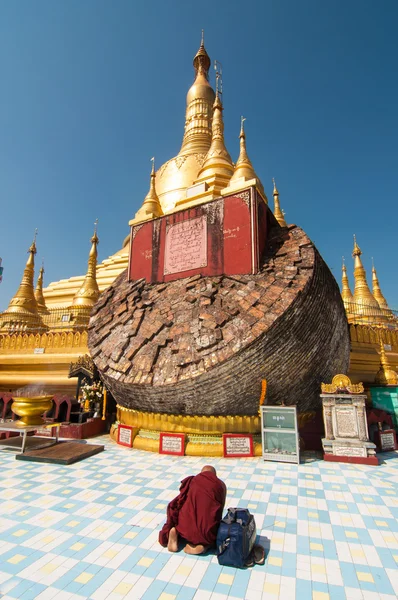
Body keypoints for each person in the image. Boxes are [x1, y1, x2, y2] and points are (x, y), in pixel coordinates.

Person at [159, 465, 227, 554]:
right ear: (215, 475)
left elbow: (178, 502)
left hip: (184, 527)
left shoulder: (192, 481)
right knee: (210, 534)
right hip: (205, 531)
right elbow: (219, 510)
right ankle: (202, 546)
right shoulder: (220, 485)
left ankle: (177, 532)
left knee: (184, 517)